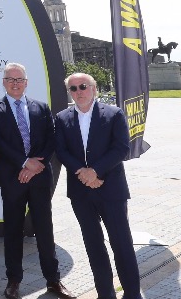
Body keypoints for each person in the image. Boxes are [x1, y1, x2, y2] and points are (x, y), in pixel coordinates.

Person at [0, 63, 75, 299]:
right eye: (10, 79)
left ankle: (53, 280)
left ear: (26, 82)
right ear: (4, 82)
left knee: (44, 229)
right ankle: (13, 281)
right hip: (12, 178)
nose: (15, 83)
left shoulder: (41, 107)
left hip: (40, 177)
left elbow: (51, 138)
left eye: (19, 79)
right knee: (13, 230)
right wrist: (25, 163)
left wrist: (35, 166)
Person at [54, 73, 142, 299]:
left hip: (111, 189)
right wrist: (84, 173)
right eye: (73, 88)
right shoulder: (62, 118)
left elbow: (121, 148)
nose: (78, 92)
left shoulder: (114, 114)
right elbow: (61, 150)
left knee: (121, 243)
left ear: (93, 88)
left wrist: (95, 171)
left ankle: (132, 293)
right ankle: (105, 293)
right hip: (80, 192)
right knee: (93, 245)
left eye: (83, 86)